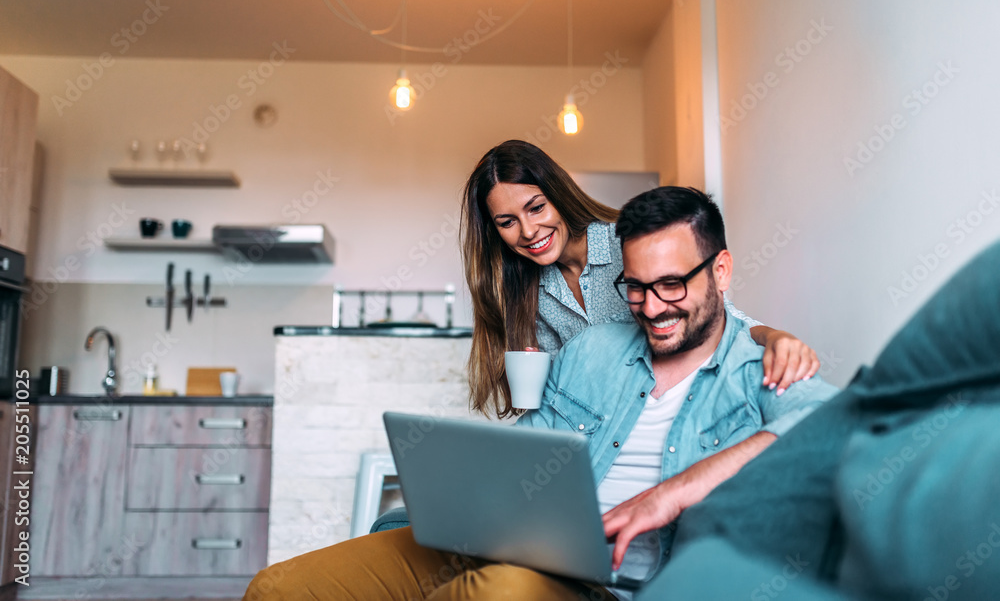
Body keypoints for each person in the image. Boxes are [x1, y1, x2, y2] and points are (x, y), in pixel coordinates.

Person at [242, 186, 839, 601]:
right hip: (522, 550)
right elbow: (531, 451)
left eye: (671, 285)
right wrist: (463, 490)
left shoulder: (764, 365)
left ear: (721, 270)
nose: (652, 308)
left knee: (501, 591)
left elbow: (833, 425)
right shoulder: (592, 351)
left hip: (608, 588)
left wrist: (668, 496)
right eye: (635, 288)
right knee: (280, 588)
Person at [461, 139, 820, 419]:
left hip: (676, 408)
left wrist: (775, 337)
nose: (528, 231)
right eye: (507, 222)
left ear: (558, 196)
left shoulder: (628, 245)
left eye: (536, 207)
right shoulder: (528, 291)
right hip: (607, 433)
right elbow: (556, 393)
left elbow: (717, 318)